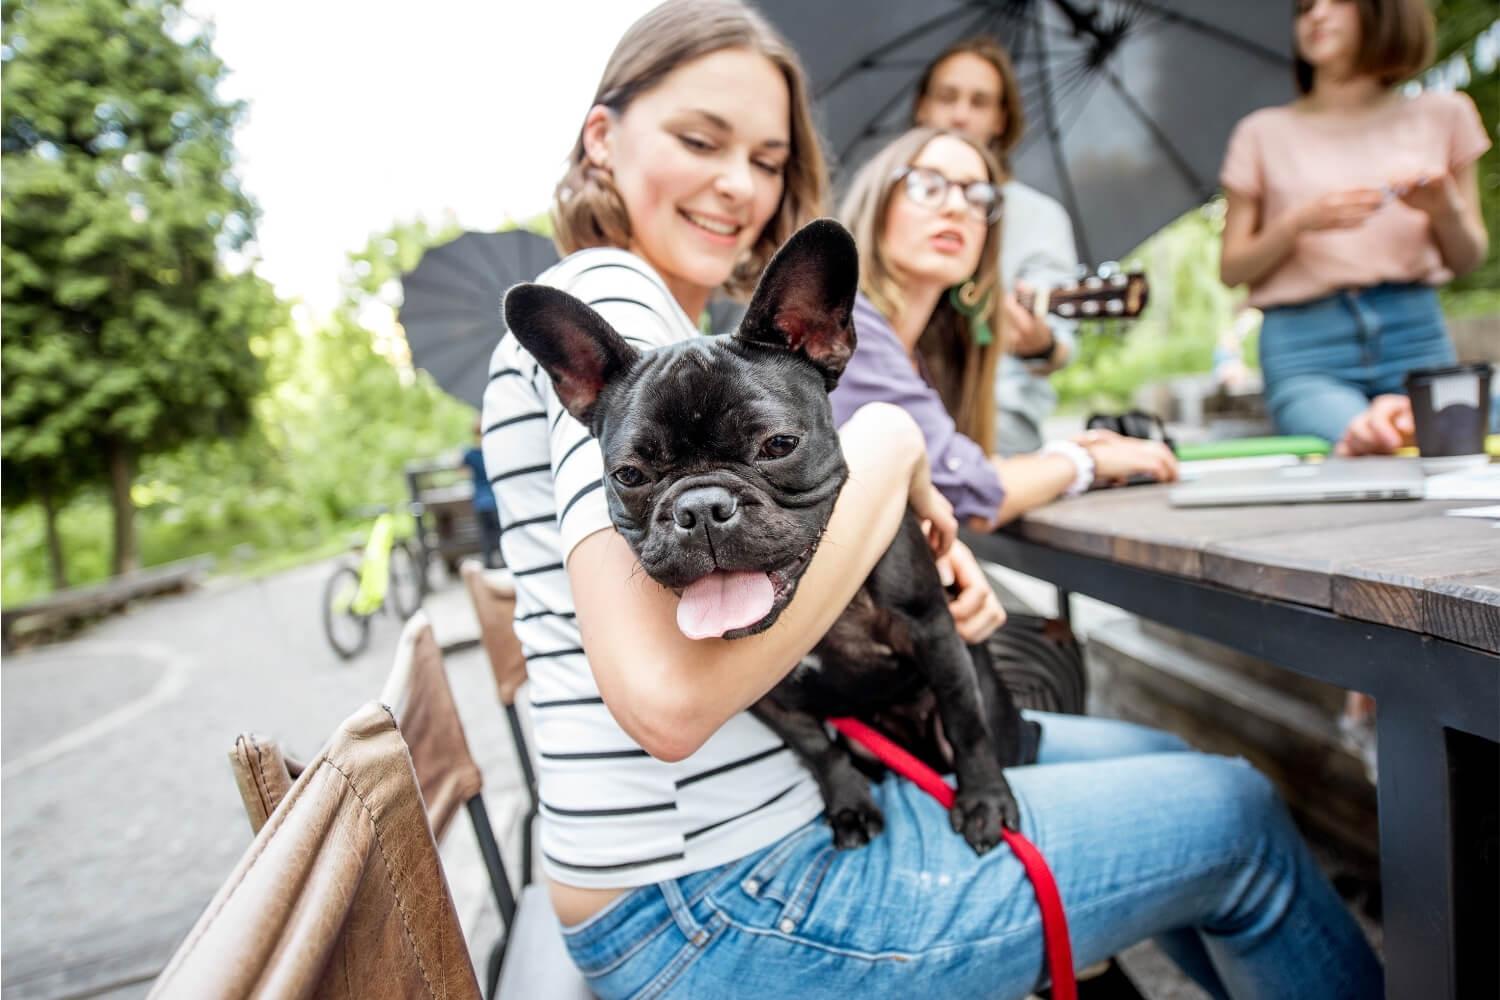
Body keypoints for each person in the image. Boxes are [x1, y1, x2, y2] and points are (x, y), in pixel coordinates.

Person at [483, 4, 1381, 997]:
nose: (738, 183)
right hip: (720, 899)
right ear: (602, 138)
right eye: (700, 140)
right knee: (1239, 813)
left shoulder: (686, 331)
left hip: (752, 837)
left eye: (771, 160)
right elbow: (664, 701)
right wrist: (892, 445)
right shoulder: (610, 296)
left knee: (1161, 756)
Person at [832, 126, 1179, 531]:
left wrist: (1066, 455)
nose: (957, 208)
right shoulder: (848, 326)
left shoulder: (920, 353)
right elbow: (964, 491)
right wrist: (1085, 460)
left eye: (977, 195)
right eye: (928, 186)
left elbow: (955, 471)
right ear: (877, 204)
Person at [1219, 0, 1489, 456]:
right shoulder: (1261, 133)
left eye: (1335, 2)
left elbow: (1468, 258)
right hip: (1304, 345)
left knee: (1444, 457)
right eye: (1303, 8)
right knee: (1367, 444)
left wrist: (1444, 211)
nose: (1316, 16)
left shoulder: (1445, 116)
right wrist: (1298, 224)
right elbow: (1231, 269)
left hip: (1415, 330)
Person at [910, 36, 1080, 456]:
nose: (960, 114)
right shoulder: (888, 208)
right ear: (923, 106)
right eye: (947, 97)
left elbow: (1058, 347)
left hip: (998, 428)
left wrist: (1037, 341)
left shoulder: (1040, 218)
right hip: (898, 413)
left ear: (1002, 118)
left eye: (979, 102)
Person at [461, 419, 501, 568]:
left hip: (480, 499)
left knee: (485, 534)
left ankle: (489, 562)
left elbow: (461, 470)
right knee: (499, 532)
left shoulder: (470, 453)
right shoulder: (492, 449)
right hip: (495, 498)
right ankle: (503, 560)